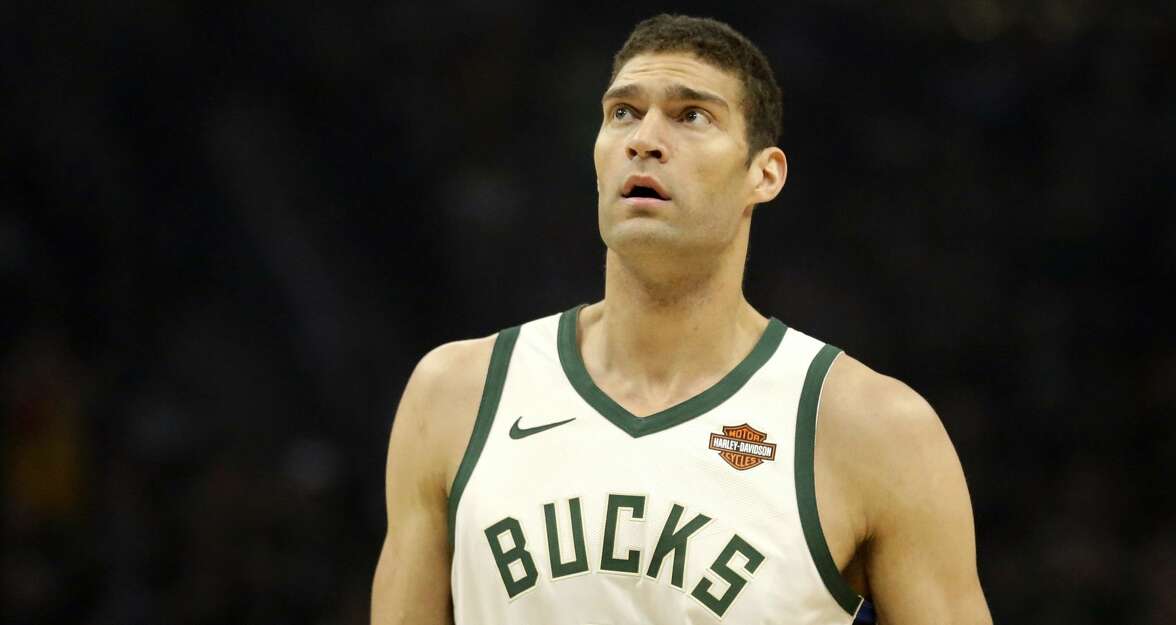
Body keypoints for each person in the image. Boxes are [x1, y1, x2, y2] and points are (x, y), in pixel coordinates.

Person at [371, 14, 991, 625]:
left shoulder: (872, 428)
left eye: (692, 115)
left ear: (764, 174)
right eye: (623, 113)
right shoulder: (456, 393)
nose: (643, 139)